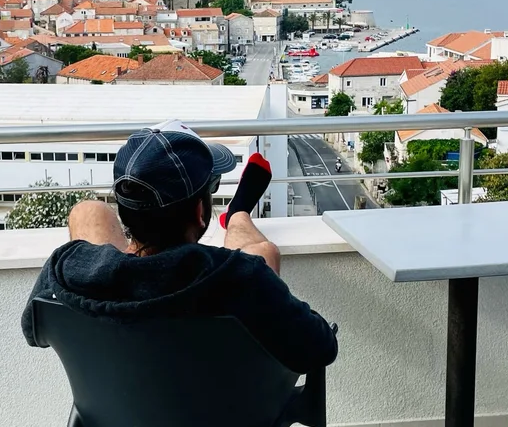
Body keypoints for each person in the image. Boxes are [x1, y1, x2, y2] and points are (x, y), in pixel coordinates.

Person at [22, 122, 338, 375]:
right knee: (263, 251)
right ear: (200, 214)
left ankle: (142, 248)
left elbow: (32, 330)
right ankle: (239, 213)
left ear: (125, 214)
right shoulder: (242, 278)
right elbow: (319, 348)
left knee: (87, 211)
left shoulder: (69, 267)